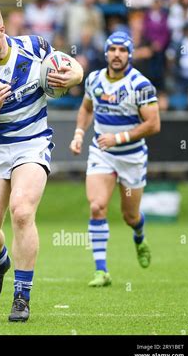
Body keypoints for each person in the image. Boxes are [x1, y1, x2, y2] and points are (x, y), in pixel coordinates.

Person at [0, 5, 83, 322]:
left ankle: (21, 297)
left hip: (32, 142)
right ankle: (0, 264)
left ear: (2, 30)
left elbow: (72, 69)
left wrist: (72, 76)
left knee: (22, 210)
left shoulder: (34, 47)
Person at [69, 31, 161, 287]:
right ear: (107, 53)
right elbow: (86, 108)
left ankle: (139, 237)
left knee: (130, 217)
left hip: (131, 158)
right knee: (97, 206)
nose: (117, 54)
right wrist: (78, 134)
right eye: (113, 50)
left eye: (122, 50)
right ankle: (101, 271)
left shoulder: (140, 85)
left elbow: (153, 124)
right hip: (102, 154)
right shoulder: (95, 79)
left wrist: (118, 138)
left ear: (129, 54)